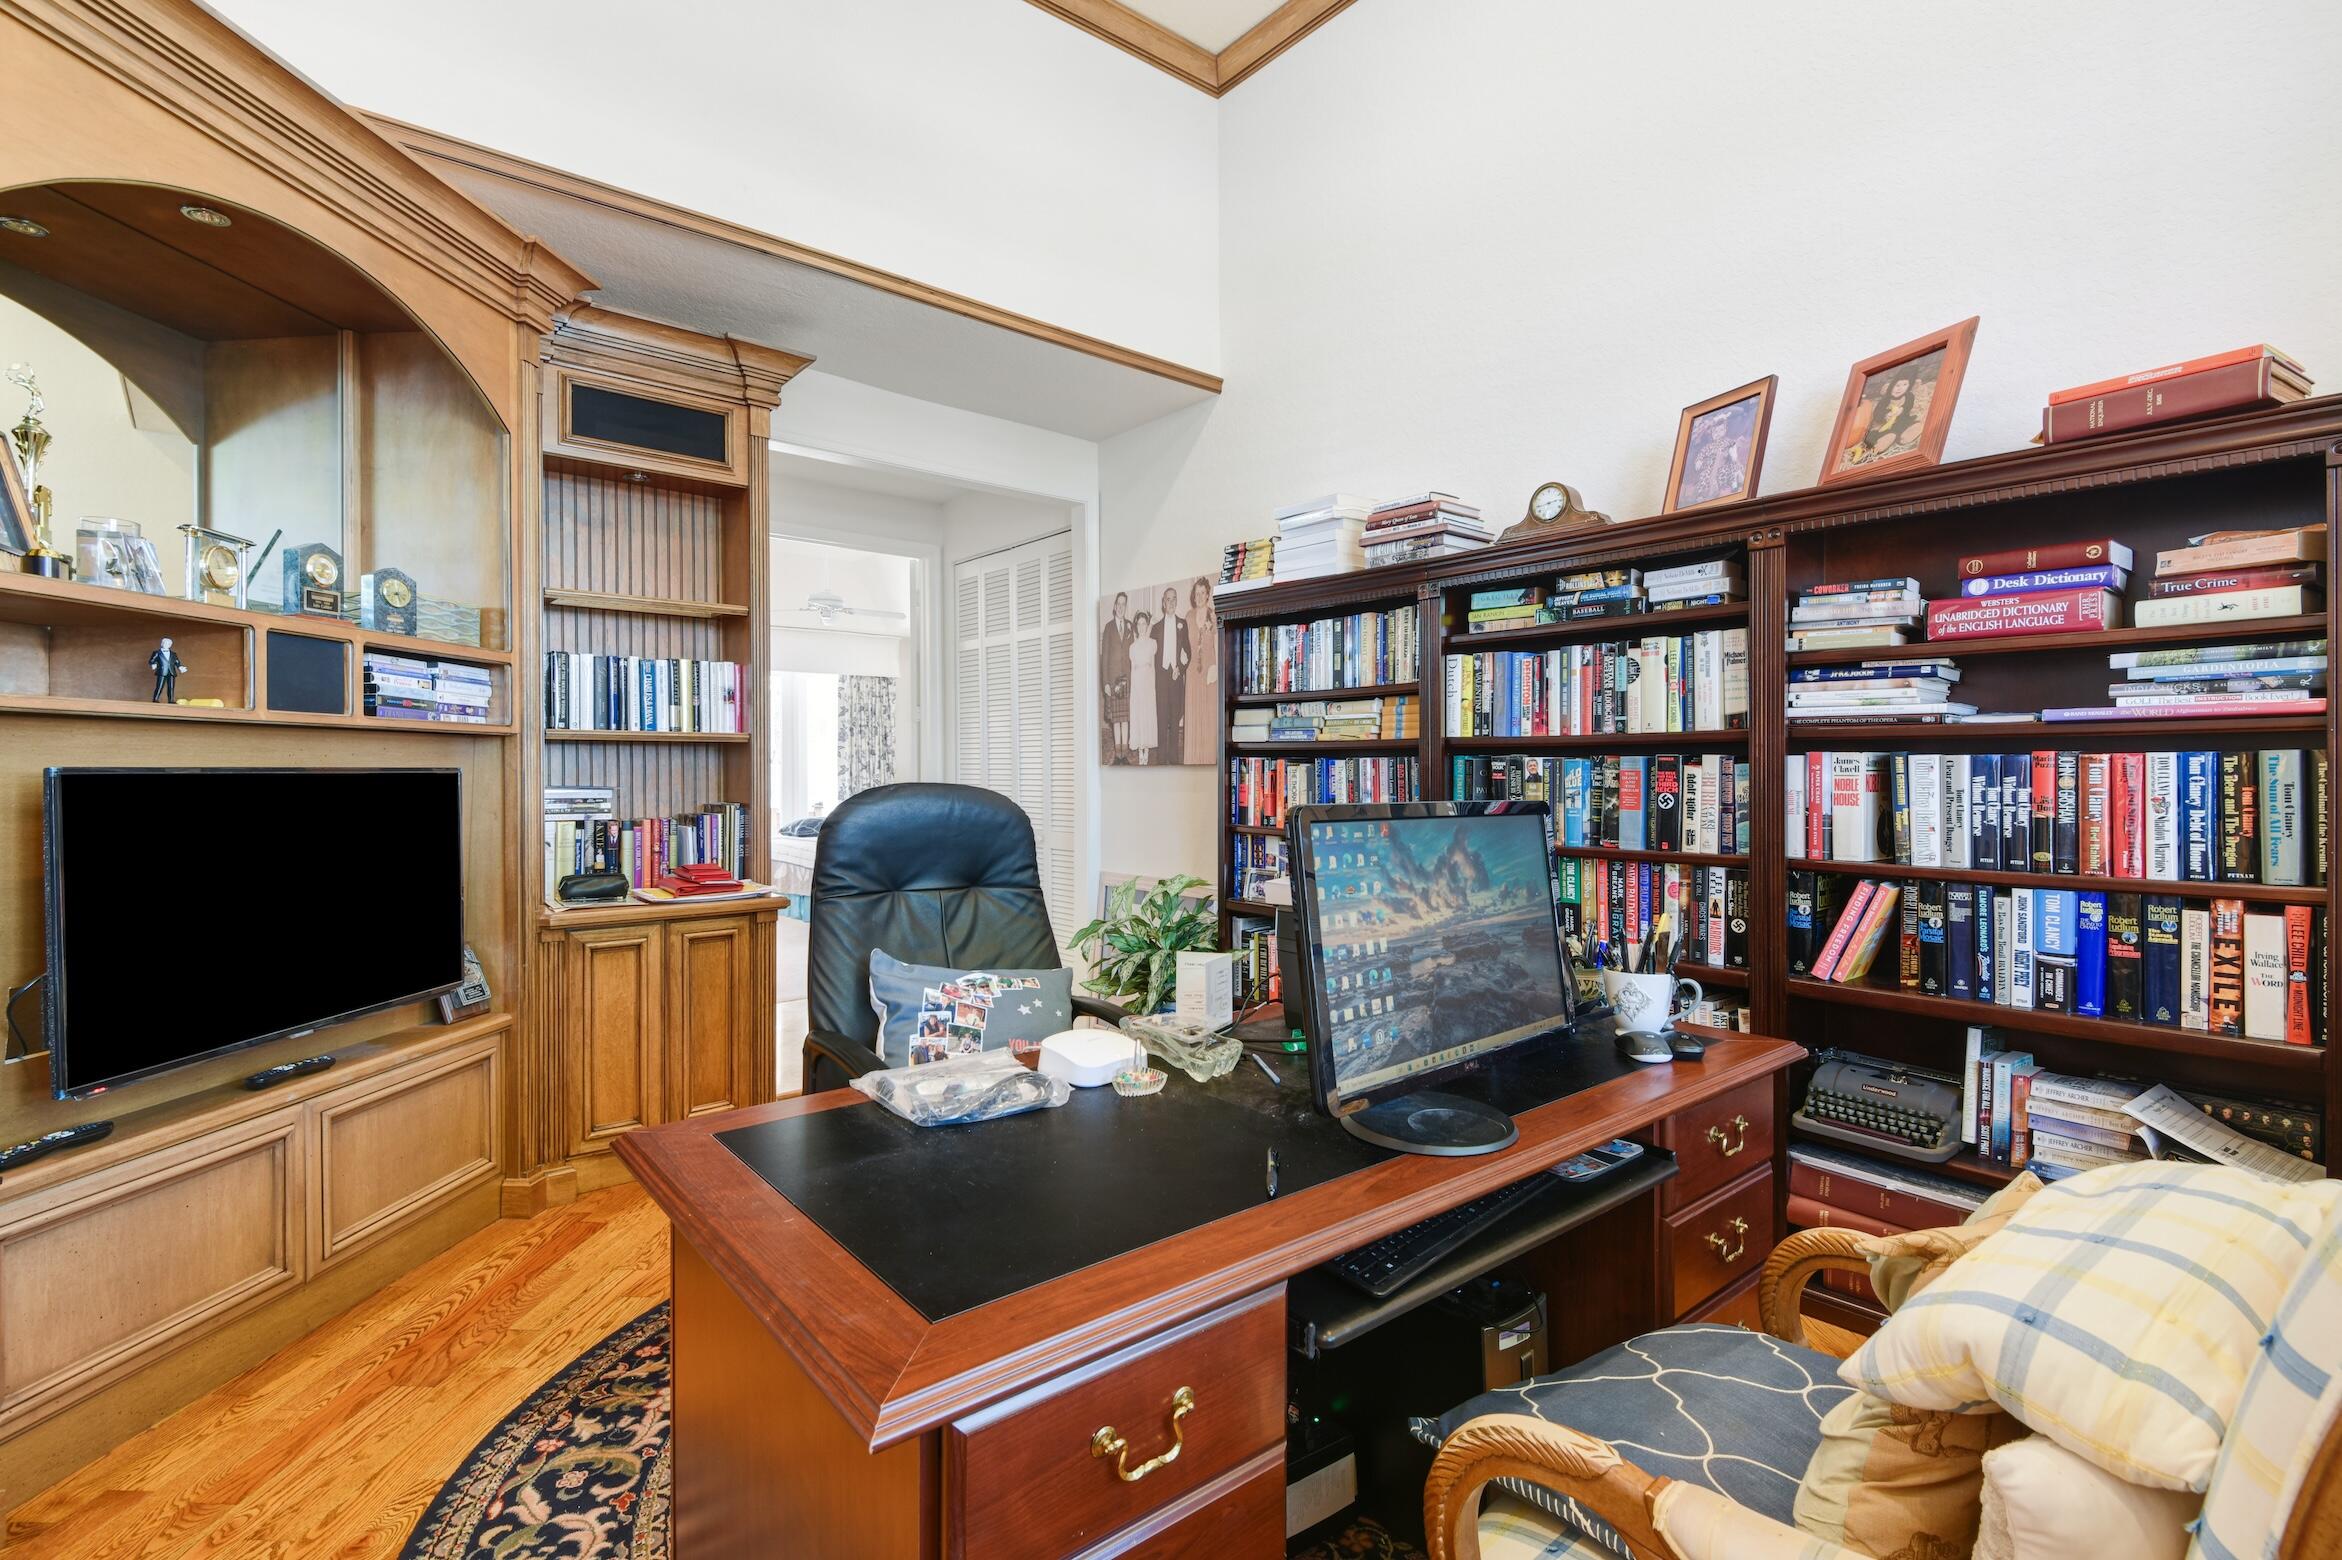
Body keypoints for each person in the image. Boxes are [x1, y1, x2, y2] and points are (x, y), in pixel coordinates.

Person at [1182, 577, 1216, 759]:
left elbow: (1218, 644)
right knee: (1194, 714)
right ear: (1193, 596)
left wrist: (1216, 667)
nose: (1200, 596)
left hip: (1210, 670)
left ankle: (1208, 757)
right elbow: (1182, 643)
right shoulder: (1188, 616)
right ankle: (1193, 757)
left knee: (1208, 715)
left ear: (1208, 594)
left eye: (1203, 593)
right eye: (1197, 593)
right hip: (1193, 670)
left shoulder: (1213, 615)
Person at [1154, 585, 1189, 762]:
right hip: (1161, 679)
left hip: (1175, 678)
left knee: (1175, 720)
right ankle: (1161, 757)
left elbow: (1187, 653)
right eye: (1168, 599)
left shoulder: (1183, 624)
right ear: (1163, 603)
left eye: (1174, 598)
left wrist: (1180, 669)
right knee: (1161, 718)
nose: (1171, 602)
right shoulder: (1155, 628)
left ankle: (1174, 757)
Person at [1099, 590, 1132, 762]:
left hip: (1126, 681)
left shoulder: (1130, 626)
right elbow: (1104, 658)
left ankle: (1124, 754)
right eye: (1118, 604)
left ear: (1126, 607)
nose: (1120, 607)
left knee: (1125, 719)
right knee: (1116, 721)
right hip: (1113, 681)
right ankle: (1117, 756)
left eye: (1123, 604)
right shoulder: (1108, 627)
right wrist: (1105, 682)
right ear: (1114, 606)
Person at [1127, 609, 1159, 763]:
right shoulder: (1132, 647)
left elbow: (1152, 667)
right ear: (1136, 626)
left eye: (1144, 623)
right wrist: (1134, 691)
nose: (1141, 626)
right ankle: (1140, 749)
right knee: (1139, 714)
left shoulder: (1152, 644)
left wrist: (1151, 688)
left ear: (1147, 625)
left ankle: (1146, 749)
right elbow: (1133, 669)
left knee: (1147, 714)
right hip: (1137, 683)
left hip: (1148, 682)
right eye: (1139, 624)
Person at [149, 636, 185, 702]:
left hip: (171, 672)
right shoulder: (157, 652)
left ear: (170, 645)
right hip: (162, 671)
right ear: (162, 643)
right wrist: (153, 664)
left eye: (168, 644)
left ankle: (171, 700)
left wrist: (180, 667)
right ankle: (155, 699)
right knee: (159, 686)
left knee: (171, 687)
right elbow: (151, 660)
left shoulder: (174, 654)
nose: (166, 645)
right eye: (165, 643)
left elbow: (177, 662)